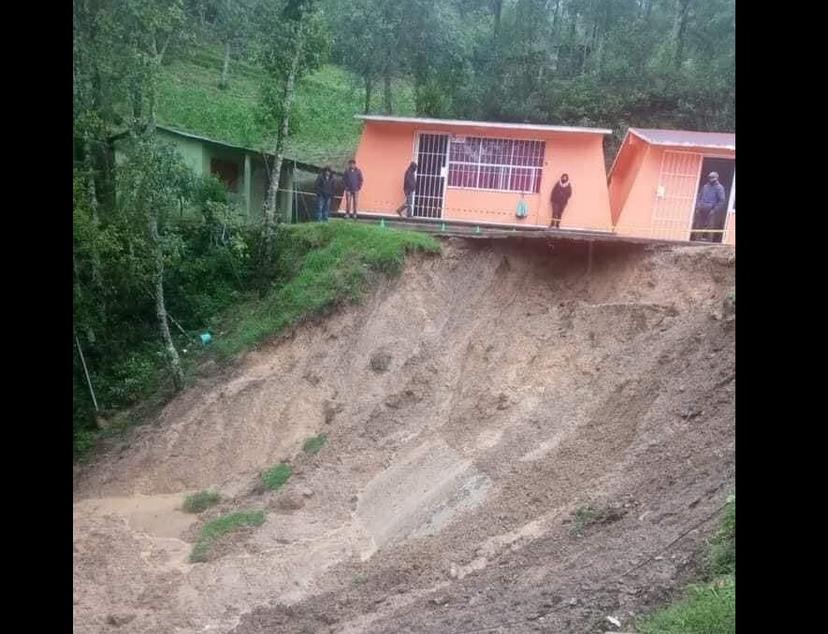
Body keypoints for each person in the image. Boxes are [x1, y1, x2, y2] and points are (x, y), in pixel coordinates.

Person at [694, 171, 727, 242]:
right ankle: (697, 241)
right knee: (698, 226)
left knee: (710, 227)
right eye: (710, 177)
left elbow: (721, 201)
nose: (711, 179)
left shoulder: (720, 188)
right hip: (701, 209)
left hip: (712, 210)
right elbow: (699, 197)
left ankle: (709, 243)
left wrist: (714, 210)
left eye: (712, 178)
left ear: (716, 178)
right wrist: (698, 206)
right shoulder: (705, 187)